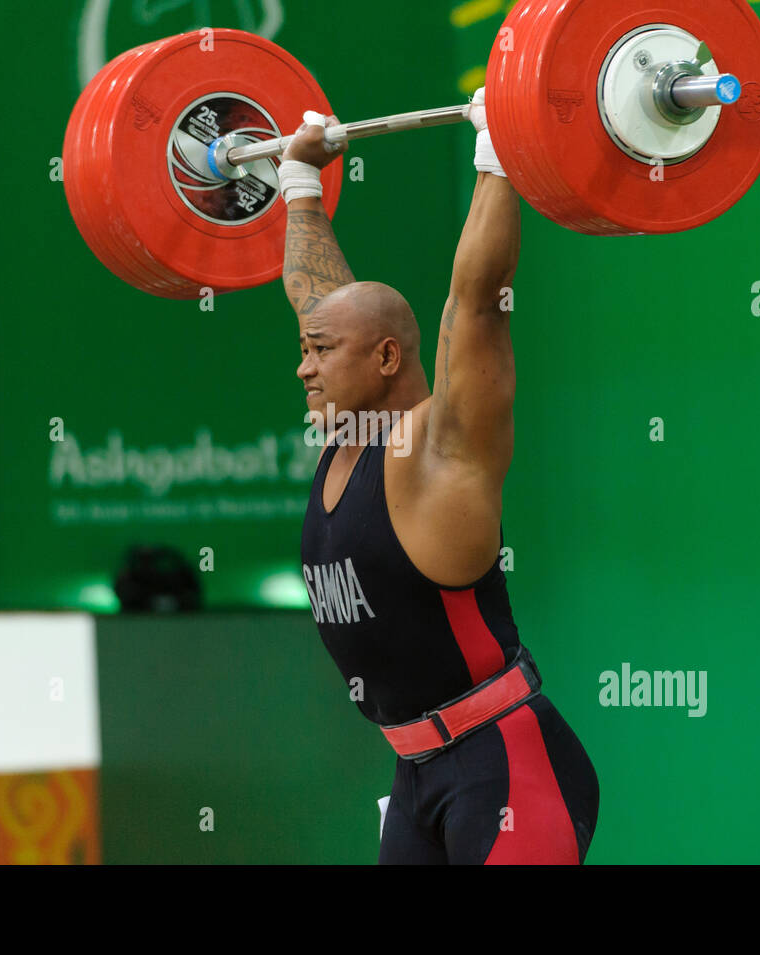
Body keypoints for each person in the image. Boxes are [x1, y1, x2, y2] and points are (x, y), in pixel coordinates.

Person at [284, 94, 599, 864]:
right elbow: (313, 294)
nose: (303, 366)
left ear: (386, 359)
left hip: (507, 765)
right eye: (308, 348)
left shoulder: (439, 449)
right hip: (417, 772)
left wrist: (502, 152)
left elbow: (478, 303)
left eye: (321, 352)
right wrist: (297, 183)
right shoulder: (347, 438)